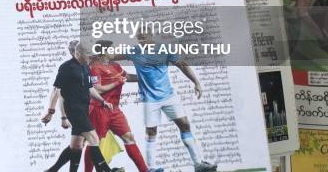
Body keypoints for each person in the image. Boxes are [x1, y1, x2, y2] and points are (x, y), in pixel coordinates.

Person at [125, 32, 217, 172]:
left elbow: (182, 64)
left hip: (168, 96)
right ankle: (151, 168)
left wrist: (196, 82)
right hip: (150, 100)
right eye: (139, 37)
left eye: (144, 36)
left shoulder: (164, 48)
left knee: (185, 125)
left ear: (151, 36)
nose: (141, 39)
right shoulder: (134, 51)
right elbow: (110, 56)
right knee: (151, 132)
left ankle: (198, 164)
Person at [86, 40, 162, 172]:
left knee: (129, 137)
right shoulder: (95, 68)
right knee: (94, 143)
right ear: (103, 52)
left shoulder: (115, 66)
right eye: (112, 49)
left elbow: (127, 77)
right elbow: (96, 90)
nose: (115, 51)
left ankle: (144, 170)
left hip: (115, 110)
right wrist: (117, 83)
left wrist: (146, 76)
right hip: (99, 110)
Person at [42, 41, 115, 172]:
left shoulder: (86, 66)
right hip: (73, 110)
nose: (90, 57)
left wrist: (103, 101)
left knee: (76, 145)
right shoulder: (66, 67)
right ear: (78, 53)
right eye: (87, 54)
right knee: (94, 138)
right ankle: (107, 170)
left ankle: (51, 170)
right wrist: (51, 112)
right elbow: (56, 91)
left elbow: (90, 88)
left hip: (84, 109)